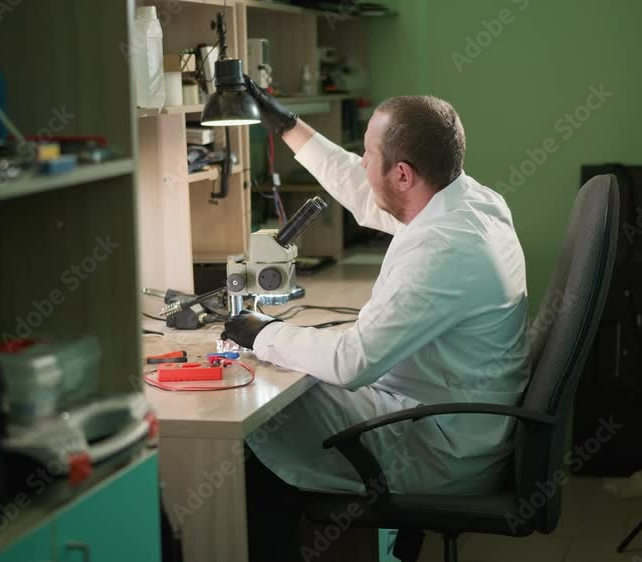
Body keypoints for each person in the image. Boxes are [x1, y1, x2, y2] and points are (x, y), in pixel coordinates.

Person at [224, 79, 530, 558]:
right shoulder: (470, 202)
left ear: (404, 174)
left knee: (253, 424)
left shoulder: (443, 249)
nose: (361, 163)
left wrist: (263, 333)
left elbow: (354, 361)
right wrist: (286, 125)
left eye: (368, 154)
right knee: (281, 385)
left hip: (439, 446)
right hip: (448, 414)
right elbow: (366, 191)